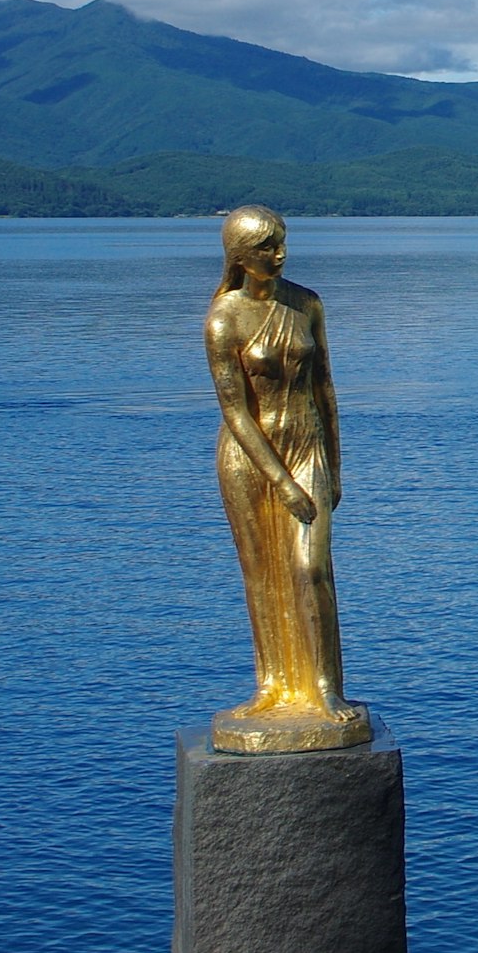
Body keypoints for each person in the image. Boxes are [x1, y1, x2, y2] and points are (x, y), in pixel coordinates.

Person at [204, 205, 370, 751]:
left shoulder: (307, 305)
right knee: (262, 576)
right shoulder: (223, 318)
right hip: (252, 460)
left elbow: (325, 389)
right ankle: (274, 686)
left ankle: (325, 688)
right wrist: (281, 482)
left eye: (281, 244)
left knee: (310, 568)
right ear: (239, 257)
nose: (278, 255)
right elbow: (235, 412)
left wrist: (336, 468)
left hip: (308, 447)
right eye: (265, 249)